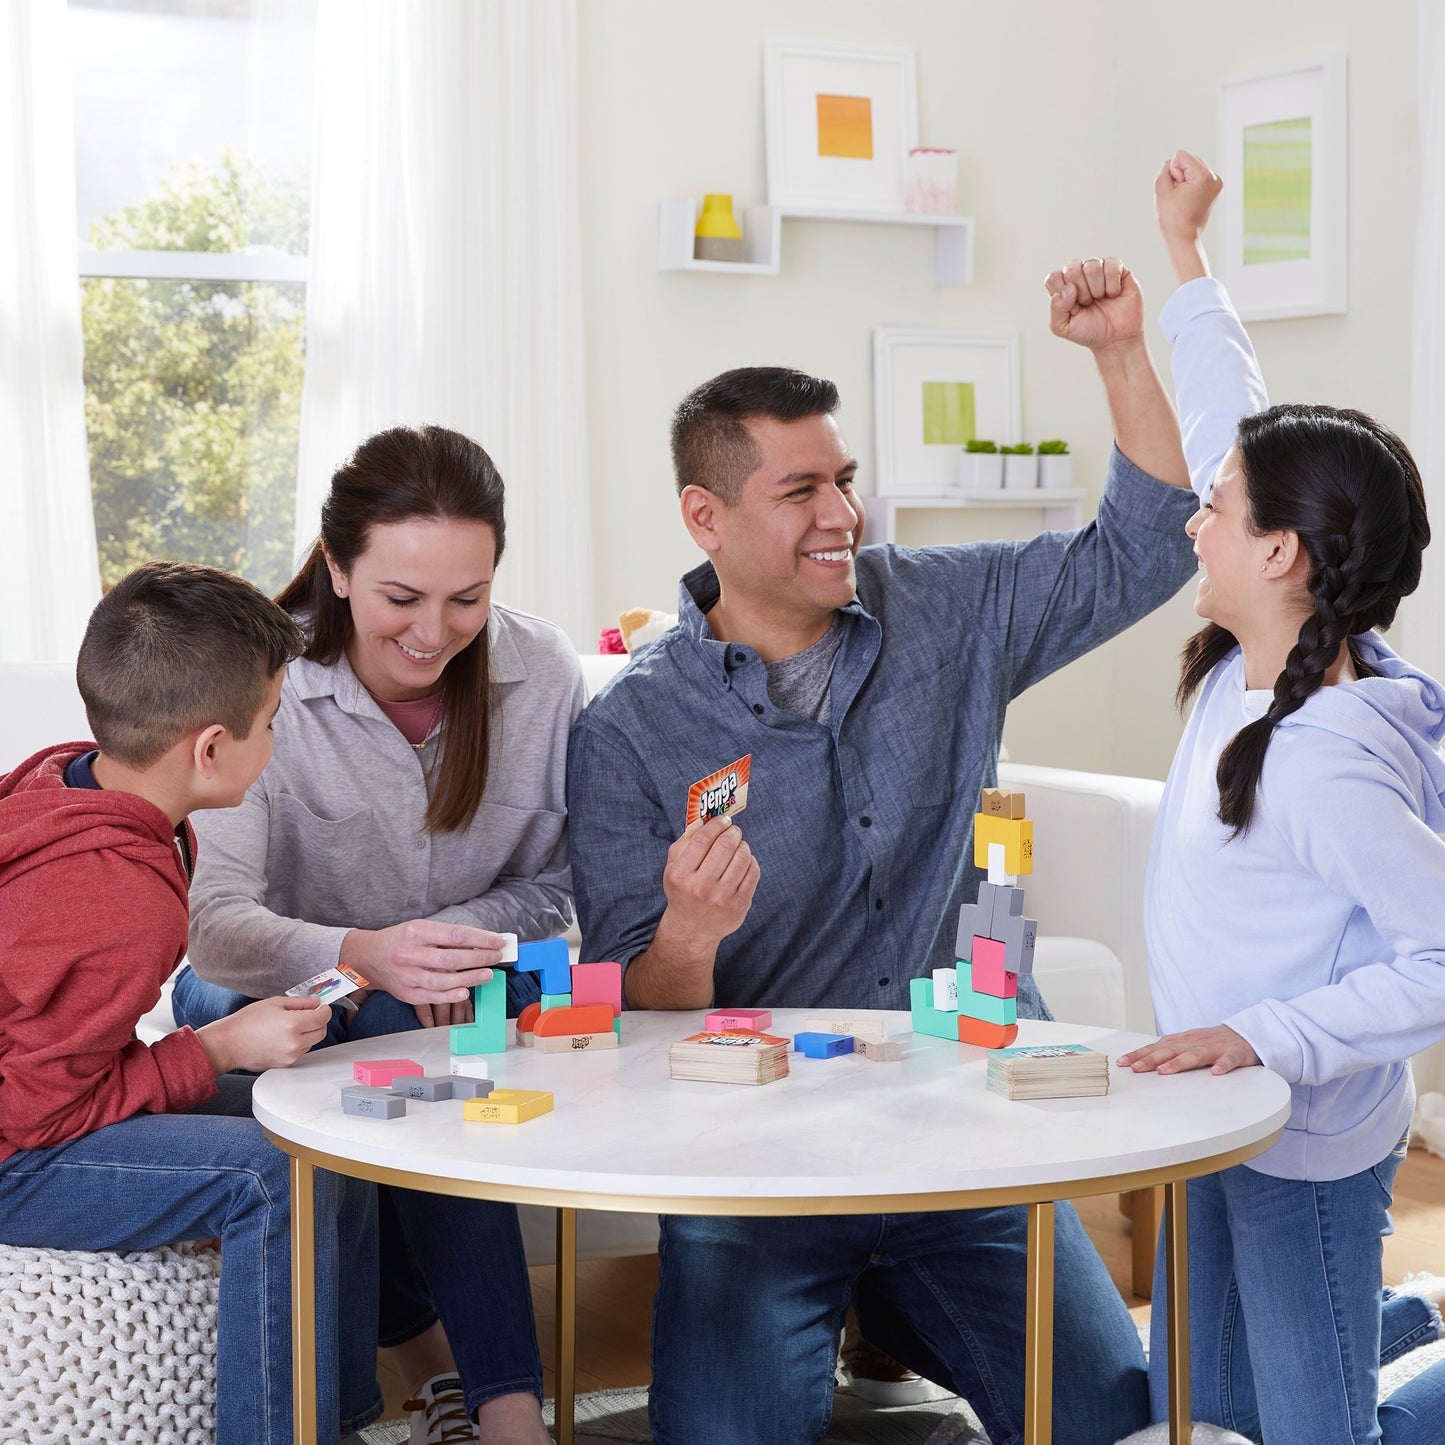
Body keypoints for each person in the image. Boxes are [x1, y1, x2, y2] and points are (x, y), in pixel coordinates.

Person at [566, 266, 1205, 1444]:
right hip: (755, 1177)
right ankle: (875, 1320)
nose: (840, 516)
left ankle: (902, 1318)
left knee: (1116, 1423)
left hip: (957, 1132)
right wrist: (688, 935)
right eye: (798, 489)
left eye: (844, 481)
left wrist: (1117, 350)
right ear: (705, 517)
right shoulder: (628, 732)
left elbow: (1147, 549)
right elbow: (623, 1007)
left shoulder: (942, 610)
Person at [1112, 149, 1445, 1443]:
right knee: (1203, 1412)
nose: (1193, 519)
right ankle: (1394, 1320)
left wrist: (1262, 1039)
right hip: (1210, 1113)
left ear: (1281, 552)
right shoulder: (1253, 662)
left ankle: (1407, 1352)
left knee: (1317, 1435)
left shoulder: (1319, 751)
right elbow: (1227, 423)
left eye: (1217, 509)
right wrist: (1184, 254)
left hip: (1300, 1137)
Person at [177, 425, 583, 1445]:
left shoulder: (540, 674)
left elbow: (564, 879)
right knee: (396, 1024)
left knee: (426, 1026)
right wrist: (363, 949)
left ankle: (450, 1368)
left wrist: (450, 937)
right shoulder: (257, 683)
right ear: (337, 569)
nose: (433, 630)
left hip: (456, 977)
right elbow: (213, 924)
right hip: (261, 983)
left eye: (467, 597)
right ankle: (503, 1407)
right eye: (401, 597)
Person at [0, 561, 380, 1445]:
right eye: (274, 723)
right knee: (273, 1171)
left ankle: (334, 1416)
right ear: (210, 748)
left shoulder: (67, 779)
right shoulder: (115, 894)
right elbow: (39, 1112)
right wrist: (216, 1047)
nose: (277, 742)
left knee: (335, 1128)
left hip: (34, 1096)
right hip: (15, 1150)